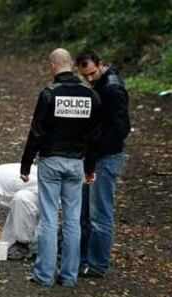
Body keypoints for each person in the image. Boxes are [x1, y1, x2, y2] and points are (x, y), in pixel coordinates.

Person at [20, 48, 100, 287]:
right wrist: (90, 168)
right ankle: (69, 276)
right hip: (76, 164)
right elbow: (94, 136)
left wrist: (26, 164)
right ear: (71, 66)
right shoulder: (90, 95)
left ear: (52, 66)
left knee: (48, 219)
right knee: (73, 220)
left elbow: (36, 132)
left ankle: (44, 275)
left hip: (51, 162)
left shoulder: (49, 94)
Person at [76, 51, 130, 277]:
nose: (89, 79)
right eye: (84, 75)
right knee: (86, 212)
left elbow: (121, 129)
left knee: (100, 214)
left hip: (105, 158)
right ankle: (86, 259)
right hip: (94, 157)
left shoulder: (113, 89)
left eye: (91, 73)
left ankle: (97, 264)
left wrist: (96, 147)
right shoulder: (102, 84)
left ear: (101, 64)